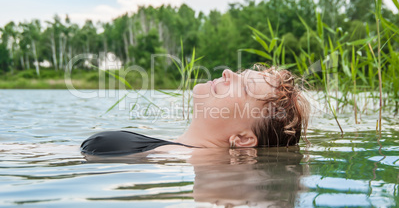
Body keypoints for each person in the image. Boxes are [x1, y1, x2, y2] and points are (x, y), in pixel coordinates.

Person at [80, 65, 310, 155]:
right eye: (242, 74)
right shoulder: (169, 150)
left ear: (242, 139)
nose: (228, 72)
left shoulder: (170, 157)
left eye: (246, 87)